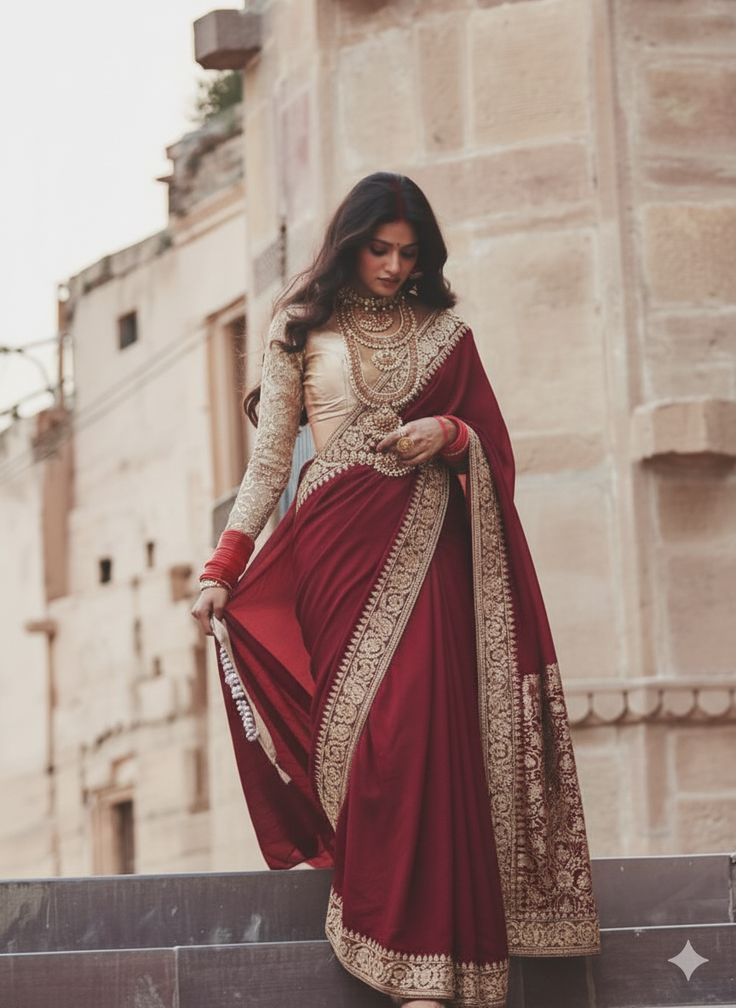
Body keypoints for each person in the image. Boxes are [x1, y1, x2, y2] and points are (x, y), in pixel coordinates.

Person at [190, 172, 600, 1008]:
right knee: (366, 746)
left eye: (408, 254)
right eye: (379, 249)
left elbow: (493, 446)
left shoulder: (447, 335)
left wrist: (450, 434)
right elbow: (270, 464)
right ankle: (389, 931)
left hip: (429, 560)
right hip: (334, 560)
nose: (391, 265)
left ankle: (435, 971)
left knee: (424, 739)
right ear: (350, 243)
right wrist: (221, 569)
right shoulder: (300, 329)